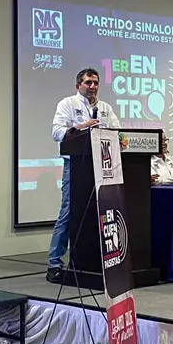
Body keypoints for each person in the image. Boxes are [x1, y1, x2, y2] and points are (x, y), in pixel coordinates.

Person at [47, 68, 120, 284]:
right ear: (78, 85)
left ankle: (93, 262)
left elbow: (118, 131)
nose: (92, 86)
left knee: (102, 213)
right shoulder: (67, 104)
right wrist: (81, 128)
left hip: (102, 166)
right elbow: (57, 132)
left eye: (96, 82)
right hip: (76, 166)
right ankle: (54, 263)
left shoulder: (105, 108)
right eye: (88, 82)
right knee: (68, 212)